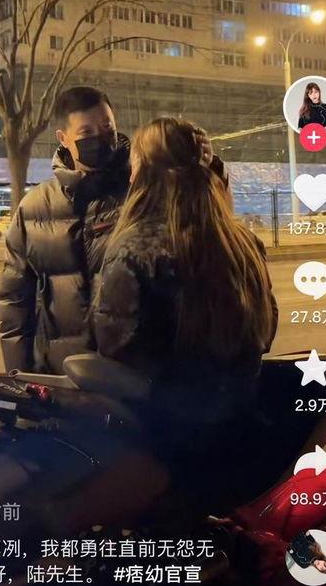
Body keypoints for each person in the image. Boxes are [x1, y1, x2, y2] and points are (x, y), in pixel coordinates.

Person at [0, 87, 224, 373]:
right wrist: (19, 376)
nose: (101, 137)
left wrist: (210, 169)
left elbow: (204, 227)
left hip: (131, 374)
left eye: (107, 127)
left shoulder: (143, 191)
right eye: (87, 132)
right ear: (63, 138)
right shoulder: (34, 208)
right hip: (59, 373)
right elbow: (15, 302)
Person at [93, 117, 278, 445]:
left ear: (145, 172)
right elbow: (265, 332)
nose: (130, 176)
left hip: (166, 440)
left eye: (134, 165)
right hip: (239, 427)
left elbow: (120, 355)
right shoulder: (244, 243)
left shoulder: (134, 249)